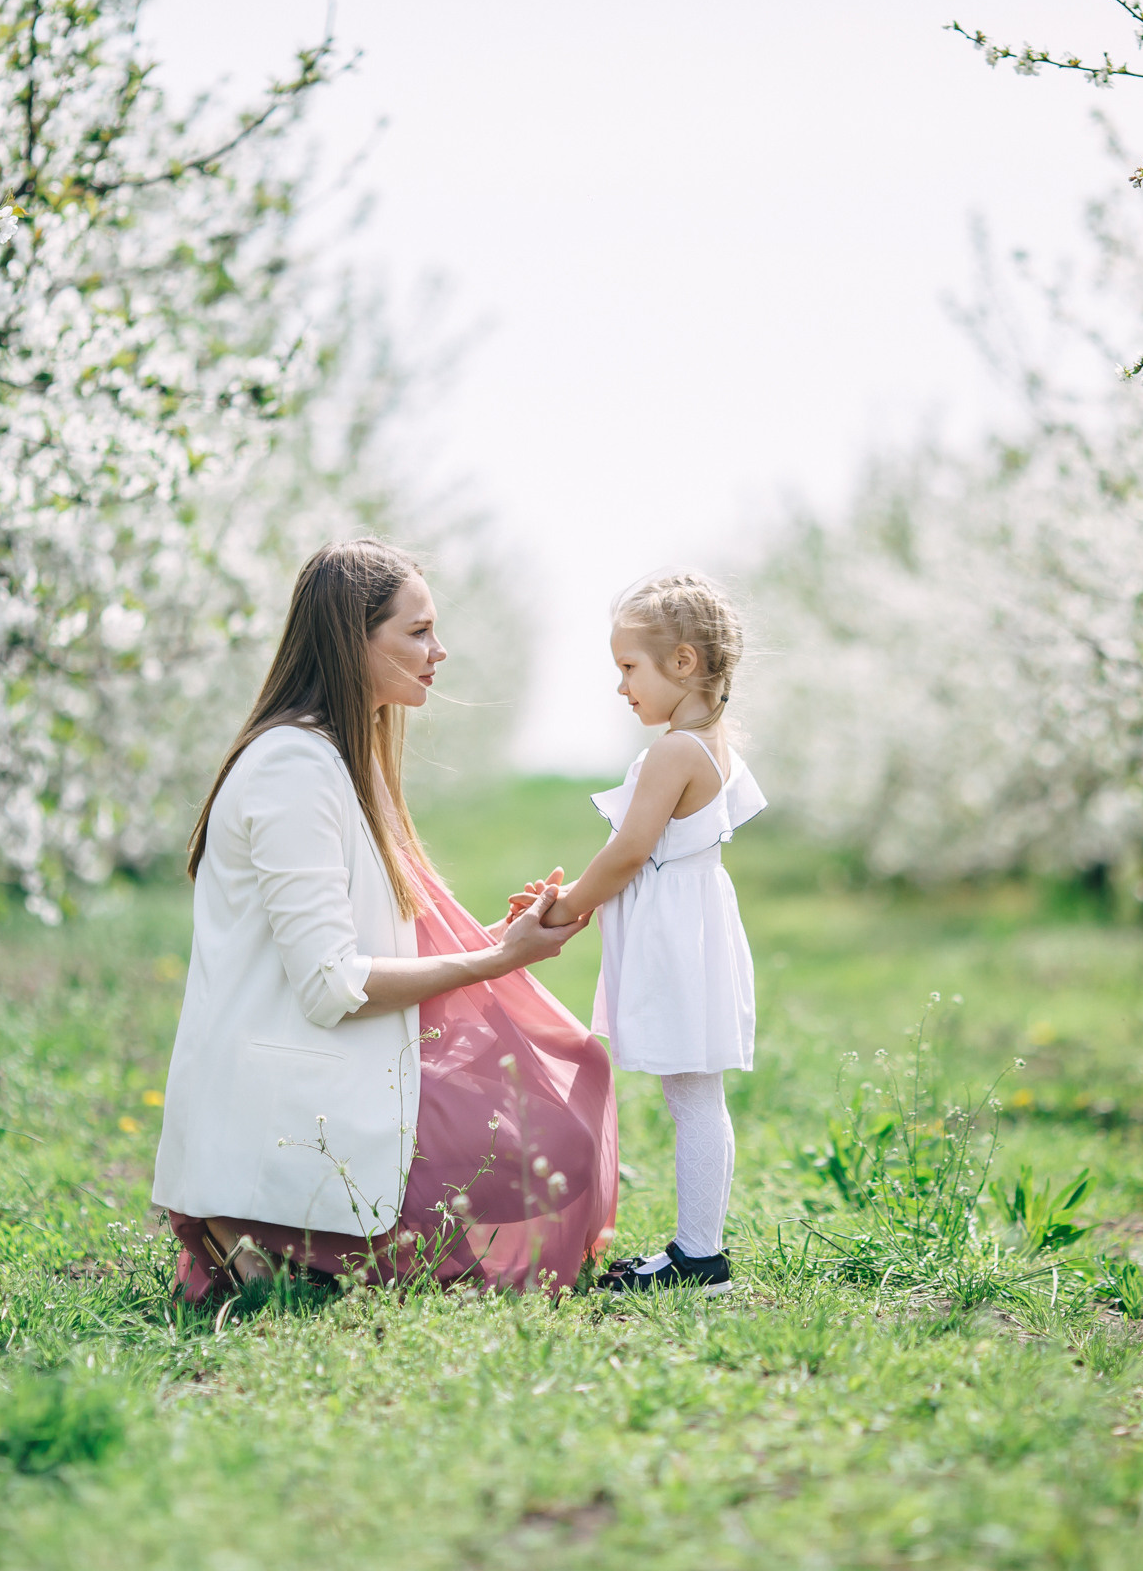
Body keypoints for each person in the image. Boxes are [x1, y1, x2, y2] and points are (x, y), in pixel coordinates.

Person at [151, 539, 618, 1297]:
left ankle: (287, 1246)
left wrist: (503, 940)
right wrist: (500, 962)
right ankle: (244, 1227)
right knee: (552, 1137)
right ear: (351, 638)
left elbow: (375, 938)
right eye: (418, 631)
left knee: (566, 1098)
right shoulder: (292, 769)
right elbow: (330, 983)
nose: (441, 650)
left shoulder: (340, 758)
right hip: (301, 1073)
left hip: (348, 1053)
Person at [524, 571, 763, 1294]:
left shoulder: (675, 752)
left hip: (677, 937)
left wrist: (564, 910)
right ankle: (698, 1251)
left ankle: (700, 1258)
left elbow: (630, 851)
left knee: (692, 1095)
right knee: (694, 1093)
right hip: (689, 925)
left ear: (683, 663)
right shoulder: (708, 744)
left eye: (630, 667)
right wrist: (568, 895)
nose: (620, 685)